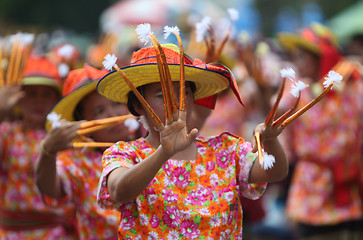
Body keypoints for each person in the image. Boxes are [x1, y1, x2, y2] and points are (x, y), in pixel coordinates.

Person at [96, 43, 289, 239]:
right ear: (138, 105)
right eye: (162, 95)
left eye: (184, 93)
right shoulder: (125, 154)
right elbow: (119, 191)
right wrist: (163, 152)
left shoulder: (225, 150)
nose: (176, 103)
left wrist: (271, 141)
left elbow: (275, 171)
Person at [277, 22, 363, 240]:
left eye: (302, 57)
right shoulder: (298, 91)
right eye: (295, 56)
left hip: (345, 179)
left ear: (321, 57)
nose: (297, 63)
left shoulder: (351, 87)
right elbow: (276, 116)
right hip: (309, 184)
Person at [35, 64, 141, 239]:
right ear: (83, 124)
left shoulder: (148, 148)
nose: (111, 114)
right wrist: (48, 151)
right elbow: (49, 188)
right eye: (99, 111)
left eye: (116, 103)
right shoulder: (77, 163)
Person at [0, 55, 76, 239]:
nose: (39, 101)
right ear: (18, 98)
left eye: (46, 94)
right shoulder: (7, 133)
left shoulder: (65, 136)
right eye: (31, 93)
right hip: (11, 234)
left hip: (56, 234)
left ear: (57, 99)